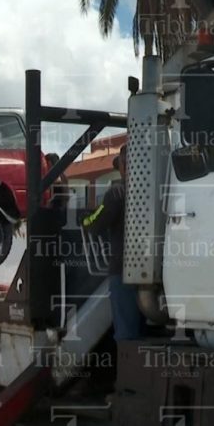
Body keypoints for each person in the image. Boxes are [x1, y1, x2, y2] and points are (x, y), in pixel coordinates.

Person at [82, 145, 143, 341]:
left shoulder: (116, 193)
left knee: (126, 333)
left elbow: (95, 223)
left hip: (122, 270)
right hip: (154, 272)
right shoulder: (157, 190)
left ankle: (129, 366)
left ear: (125, 165)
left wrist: (85, 220)